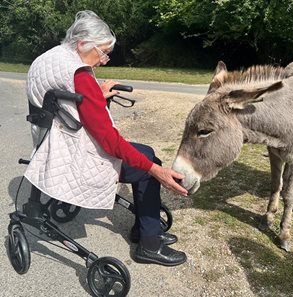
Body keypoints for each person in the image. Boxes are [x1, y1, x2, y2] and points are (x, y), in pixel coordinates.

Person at [25, 10, 188, 266]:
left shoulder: (49, 58)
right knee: (147, 165)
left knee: (146, 151)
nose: (105, 60)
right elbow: (109, 140)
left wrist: (96, 97)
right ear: (81, 44)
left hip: (52, 139)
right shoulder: (79, 74)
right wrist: (157, 170)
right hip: (70, 152)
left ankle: (146, 227)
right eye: (102, 52)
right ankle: (149, 244)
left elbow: (64, 105)